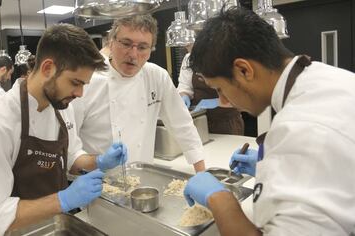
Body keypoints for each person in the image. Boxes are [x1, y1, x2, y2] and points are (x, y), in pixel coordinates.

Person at [183, 7, 355, 236]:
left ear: (244, 70)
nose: (223, 100)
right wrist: (271, 169)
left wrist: (219, 199)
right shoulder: (324, 77)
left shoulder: (302, 131)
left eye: (220, 89)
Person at [0, 24, 127, 236]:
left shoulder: (60, 106)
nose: (80, 93)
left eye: (84, 85)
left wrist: (98, 161)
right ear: (47, 68)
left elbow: (71, 157)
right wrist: (64, 199)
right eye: (75, 82)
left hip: (57, 226)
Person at [72, 15, 206, 172]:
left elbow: (182, 125)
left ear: (150, 50)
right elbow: (69, 144)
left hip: (142, 180)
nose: (133, 54)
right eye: (126, 44)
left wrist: (201, 172)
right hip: (95, 182)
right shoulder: (87, 81)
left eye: (142, 47)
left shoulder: (157, 76)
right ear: (111, 42)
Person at [177, 44, 244, 135]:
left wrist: (213, 102)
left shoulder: (229, 58)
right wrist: (184, 95)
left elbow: (242, 98)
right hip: (199, 122)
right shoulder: (189, 58)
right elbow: (185, 85)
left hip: (226, 124)